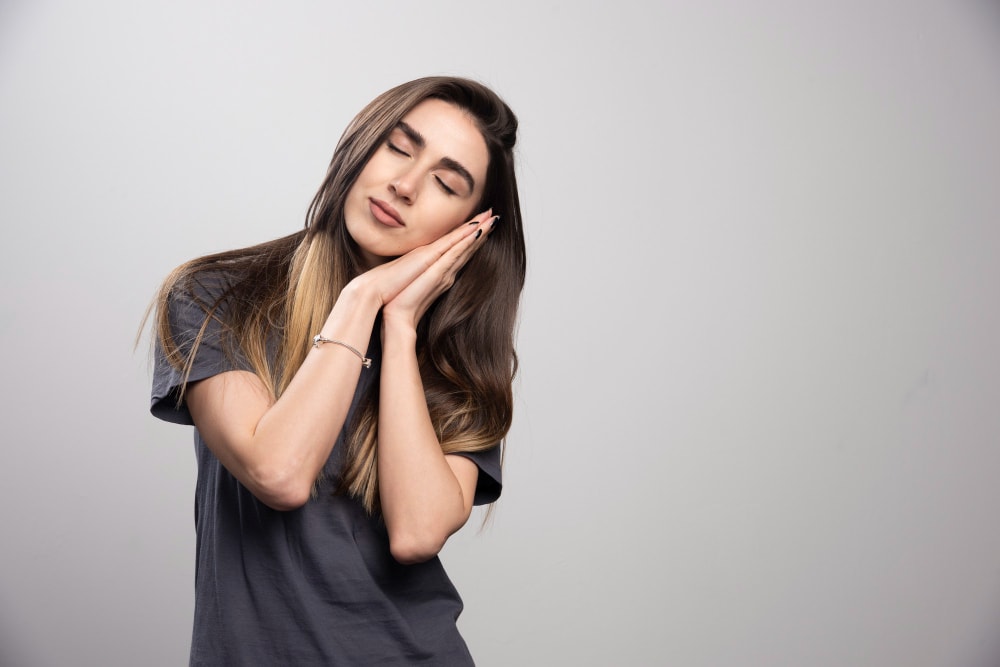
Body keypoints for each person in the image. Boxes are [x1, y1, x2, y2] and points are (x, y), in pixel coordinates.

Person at [148, 76, 525, 665]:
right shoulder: (217, 297)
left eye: (446, 183)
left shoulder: (458, 362)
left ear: (466, 229)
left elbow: (417, 533)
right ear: (360, 146)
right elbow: (277, 471)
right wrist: (360, 299)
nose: (404, 185)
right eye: (399, 148)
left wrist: (399, 328)